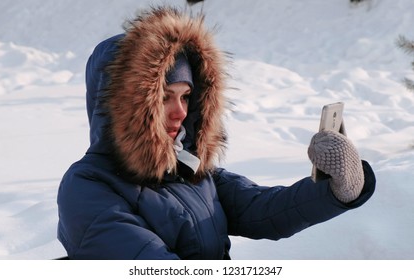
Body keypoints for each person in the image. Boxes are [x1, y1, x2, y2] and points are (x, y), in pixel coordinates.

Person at [57, 5, 375, 260]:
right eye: (164, 97)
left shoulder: (187, 169)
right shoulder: (87, 187)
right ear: (124, 107)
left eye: (185, 97)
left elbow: (265, 209)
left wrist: (340, 186)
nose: (180, 112)